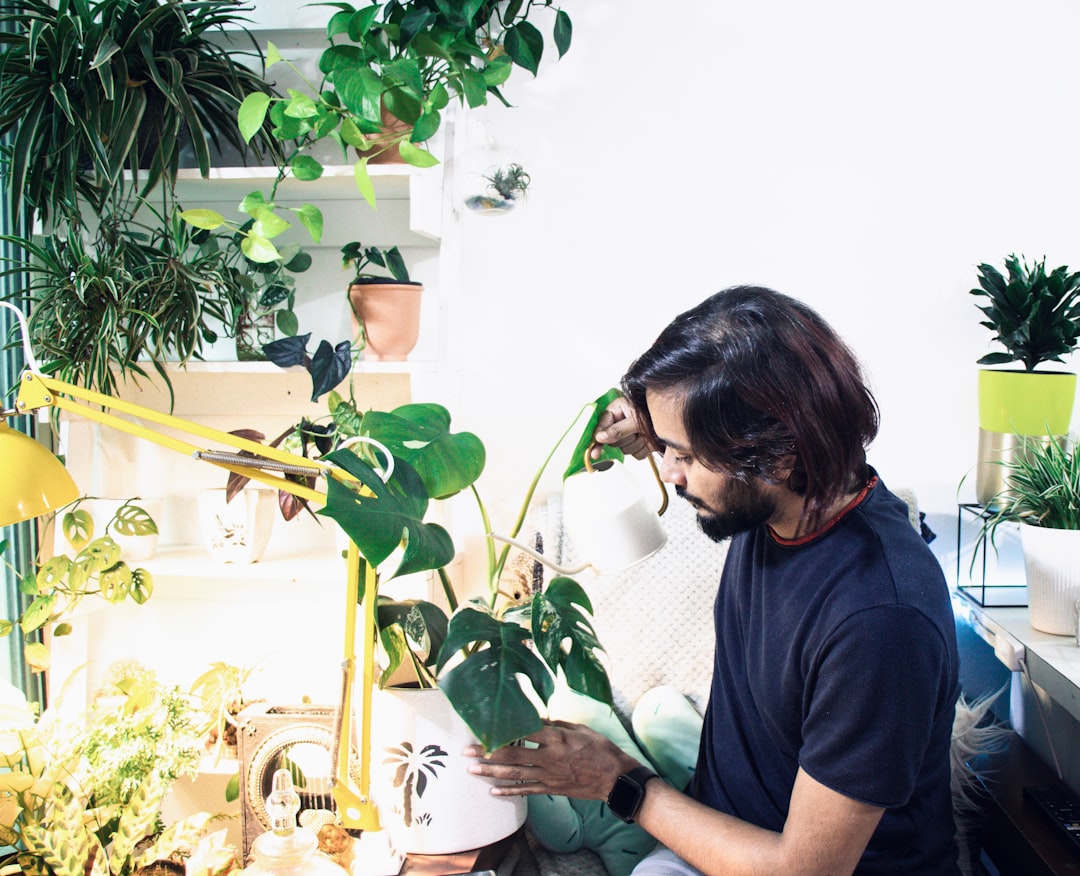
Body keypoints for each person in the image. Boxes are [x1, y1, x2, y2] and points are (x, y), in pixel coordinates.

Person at [465, 286, 961, 876]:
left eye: (686, 456)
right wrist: (656, 426)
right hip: (719, 838)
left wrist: (619, 782)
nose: (670, 475)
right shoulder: (784, 495)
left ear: (775, 457)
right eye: (667, 449)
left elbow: (803, 870)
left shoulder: (880, 619)